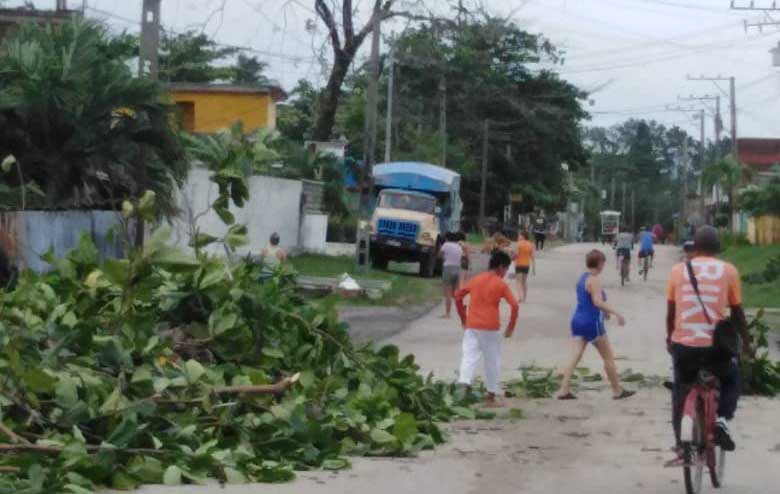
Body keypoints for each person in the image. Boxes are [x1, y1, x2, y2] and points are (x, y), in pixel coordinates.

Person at [666, 226, 752, 454]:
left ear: (694, 247)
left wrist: (670, 340)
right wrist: (747, 343)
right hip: (717, 348)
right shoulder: (729, 270)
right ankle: (722, 420)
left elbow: (671, 313)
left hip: (684, 347)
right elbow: (738, 313)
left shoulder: (678, 271)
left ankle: (680, 443)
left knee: (680, 388)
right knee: (732, 378)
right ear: (717, 249)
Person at [558, 249, 636, 401]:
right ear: (599, 263)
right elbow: (597, 301)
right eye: (603, 263)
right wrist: (616, 313)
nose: (603, 266)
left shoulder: (582, 279)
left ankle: (564, 388)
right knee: (608, 357)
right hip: (592, 322)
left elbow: (588, 300)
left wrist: (604, 312)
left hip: (577, 321)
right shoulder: (594, 279)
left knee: (575, 357)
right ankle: (617, 390)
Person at [454, 250, 519, 406]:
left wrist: (464, 318)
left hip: (472, 325)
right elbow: (515, 305)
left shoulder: (476, 279)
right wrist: (510, 327)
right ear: (501, 267)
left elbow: (458, 296)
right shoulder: (500, 283)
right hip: (490, 327)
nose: (505, 273)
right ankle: (490, 397)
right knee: (492, 361)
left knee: (468, 357)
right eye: (505, 269)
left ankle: (463, 390)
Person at [439, 232, 464, 319]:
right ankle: (461, 312)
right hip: (457, 268)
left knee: (448, 293)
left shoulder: (446, 244)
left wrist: (445, 258)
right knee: (457, 293)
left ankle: (448, 313)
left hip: (448, 268)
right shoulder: (459, 247)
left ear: (447, 238)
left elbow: (440, 255)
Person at [514, 231, 535, 302]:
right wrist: (533, 269)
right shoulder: (530, 244)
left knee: (518, 282)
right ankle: (524, 298)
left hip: (519, 264)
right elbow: (532, 257)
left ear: (523, 236)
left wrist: (512, 256)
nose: (518, 237)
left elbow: (516, 254)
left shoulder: (518, 244)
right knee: (524, 282)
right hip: (526, 265)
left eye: (519, 235)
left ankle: (520, 297)